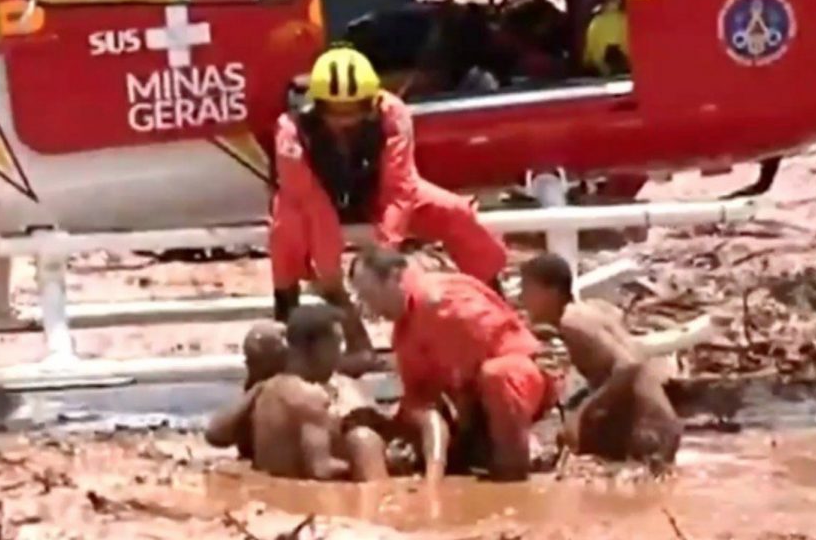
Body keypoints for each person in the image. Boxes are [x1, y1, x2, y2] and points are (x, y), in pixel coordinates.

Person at [269, 46, 508, 372]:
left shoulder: (393, 114)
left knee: (457, 213)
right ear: (318, 106)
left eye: (354, 111)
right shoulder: (291, 130)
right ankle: (290, 318)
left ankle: (497, 303)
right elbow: (309, 199)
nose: (346, 121)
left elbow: (400, 188)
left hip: (378, 195)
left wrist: (382, 257)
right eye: (336, 113)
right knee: (284, 228)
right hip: (313, 200)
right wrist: (331, 275)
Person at [349, 246, 560, 482]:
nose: (370, 310)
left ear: (394, 277)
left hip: (520, 384)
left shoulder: (439, 299)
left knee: (496, 375)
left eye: (369, 295)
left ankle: (514, 467)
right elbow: (419, 400)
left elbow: (484, 364)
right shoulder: (403, 333)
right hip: (473, 401)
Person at [519, 252, 682, 466]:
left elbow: (629, 366)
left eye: (527, 289)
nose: (522, 298)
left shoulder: (572, 324)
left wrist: (583, 413)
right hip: (658, 424)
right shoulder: (593, 309)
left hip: (647, 432)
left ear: (550, 291)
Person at [205, 307, 389, 481]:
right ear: (315, 348)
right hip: (312, 503)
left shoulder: (265, 390)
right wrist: (363, 464)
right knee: (365, 443)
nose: (341, 352)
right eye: (337, 343)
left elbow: (215, 434)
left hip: (274, 492)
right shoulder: (311, 397)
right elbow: (320, 470)